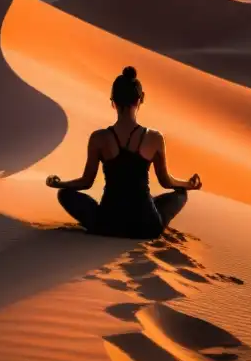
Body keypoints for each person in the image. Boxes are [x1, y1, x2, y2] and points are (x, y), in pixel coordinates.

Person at [46, 66, 201, 239]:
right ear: (141, 99)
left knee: (65, 194)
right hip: (147, 226)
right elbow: (167, 181)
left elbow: (86, 182)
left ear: (113, 101)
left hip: (108, 224)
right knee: (179, 194)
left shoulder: (99, 138)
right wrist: (189, 184)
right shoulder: (154, 137)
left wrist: (59, 184)